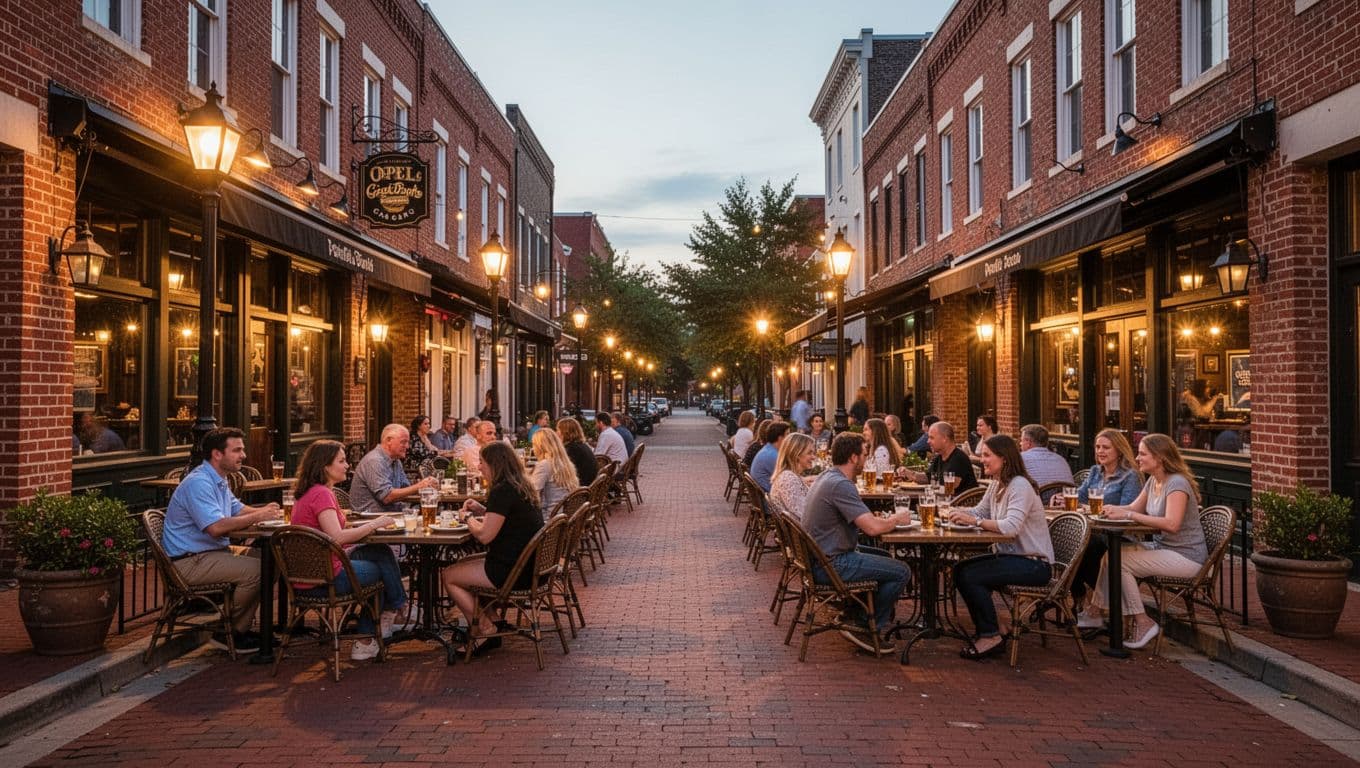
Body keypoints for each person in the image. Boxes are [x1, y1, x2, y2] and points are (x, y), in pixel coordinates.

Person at [1078, 433, 1208, 650]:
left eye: (1142, 454)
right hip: (1164, 548)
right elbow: (1131, 508)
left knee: (1122, 562)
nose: (1137, 458)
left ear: (1160, 457)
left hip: (1186, 556)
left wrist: (1129, 516)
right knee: (1111, 556)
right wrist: (1107, 510)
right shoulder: (1153, 481)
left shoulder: (1177, 483)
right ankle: (1095, 611)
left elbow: (1172, 524)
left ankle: (1142, 621)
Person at [288, 439, 413, 660]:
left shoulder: (312, 492)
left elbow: (333, 529)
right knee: (382, 570)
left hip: (307, 575)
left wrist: (360, 525)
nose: (347, 465)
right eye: (342, 461)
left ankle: (395, 609)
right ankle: (367, 636)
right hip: (326, 578)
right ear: (325, 466)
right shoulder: (322, 494)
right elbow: (336, 536)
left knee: (380, 551)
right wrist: (374, 524)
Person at [161, 427, 280, 652]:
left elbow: (236, 509)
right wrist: (259, 516)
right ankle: (228, 632)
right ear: (217, 454)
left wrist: (267, 511)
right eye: (237, 450)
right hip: (189, 561)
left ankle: (239, 628)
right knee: (258, 570)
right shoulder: (199, 483)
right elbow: (215, 528)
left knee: (272, 561)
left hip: (211, 553)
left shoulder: (219, 479)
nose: (243, 455)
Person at [801, 432, 913, 653]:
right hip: (831, 565)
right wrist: (897, 518)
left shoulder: (828, 477)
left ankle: (854, 612)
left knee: (886, 559)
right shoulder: (841, 485)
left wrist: (880, 520)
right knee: (901, 571)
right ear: (853, 458)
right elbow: (872, 529)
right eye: (864, 454)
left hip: (820, 558)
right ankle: (864, 626)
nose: (867, 458)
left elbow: (866, 522)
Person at [946, 434, 1055, 660]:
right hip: (1011, 558)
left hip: (1033, 564)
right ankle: (997, 626)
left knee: (971, 575)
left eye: (987, 455)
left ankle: (990, 635)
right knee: (960, 570)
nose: (981, 459)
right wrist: (950, 511)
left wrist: (973, 522)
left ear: (1004, 458)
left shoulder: (1020, 486)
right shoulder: (997, 483)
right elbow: (980, 512)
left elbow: (1010, 528)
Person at [441, 441, 545, 657]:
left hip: (513, 572)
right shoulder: (519, 486)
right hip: (531, 567)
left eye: (482, 462)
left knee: (449, 575)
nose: (479, 467)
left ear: (494, 464)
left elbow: (485, 536)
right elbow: (505, 519)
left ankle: (485, 630)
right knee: (462, 566)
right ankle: (495, 621)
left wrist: (468, 517)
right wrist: (483, 510)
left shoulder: (502, 491)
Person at [1063, 428, 1144, 604]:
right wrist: (1063, 499)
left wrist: (1089, 509)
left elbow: (1126, 512)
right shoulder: (1095, 471)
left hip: (1119, 536)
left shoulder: (1130, 476)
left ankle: (1106, 599)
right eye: (1098, 447)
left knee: (1084, 544)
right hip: (1095, 532)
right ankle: (1081, 592)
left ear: (1119, 450)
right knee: (1066, 539)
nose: (1100, 451)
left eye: (1106, 447)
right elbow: (1079, 498)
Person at [350, 424, 440, 515]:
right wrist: (419, 486)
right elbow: (387, 497)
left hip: (391, 515)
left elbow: (405, 488)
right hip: (371, 519)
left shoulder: (396, 461)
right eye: (403, 442)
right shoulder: (374, 461)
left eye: (407, 442)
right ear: (389, 441)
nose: (407, 446)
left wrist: (427, 486)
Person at [903, 421, 977, 493]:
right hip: (943, 501)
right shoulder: (939, 457)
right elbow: (928, 477)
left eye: (931, 438)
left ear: (944, 439)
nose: (928, 441)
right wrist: (909, 474)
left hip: (960, 503)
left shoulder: (959, 459)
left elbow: (950, 490)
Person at [530, 426, 580, 515]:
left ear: (540, 446)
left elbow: (532, 495)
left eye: (534, 444)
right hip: (565, 517)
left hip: (550, 519)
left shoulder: (545, 465)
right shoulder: (565, 462)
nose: (533, 448)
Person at [768, 432, 815, 520]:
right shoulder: (788, 479)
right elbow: (805, 515)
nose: (814, 457)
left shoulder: (790, 475)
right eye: (810, 453)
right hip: (803, 532)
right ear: (796, 454)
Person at [1019, 424, 1075, 489]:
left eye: (1021, 440)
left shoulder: (1020, 458)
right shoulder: (1061, 459)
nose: (1020, 444)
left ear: (1028, 442)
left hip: (1037, 498)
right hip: (1063, 497)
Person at [556, 416, 598, 486]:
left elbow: (564, 472)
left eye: (558, 430)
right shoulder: (581, 445)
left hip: (579, 489)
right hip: (587, 487)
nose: (556, 433)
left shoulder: (572, 449)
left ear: (565, 432)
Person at [750, 422, 791, 492]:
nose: (790, 438)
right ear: (780, 438)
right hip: (770, 498)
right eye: (787, 434)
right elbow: (788, 480)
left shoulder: (768, 449)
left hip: (766, 493)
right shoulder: (772, 455)